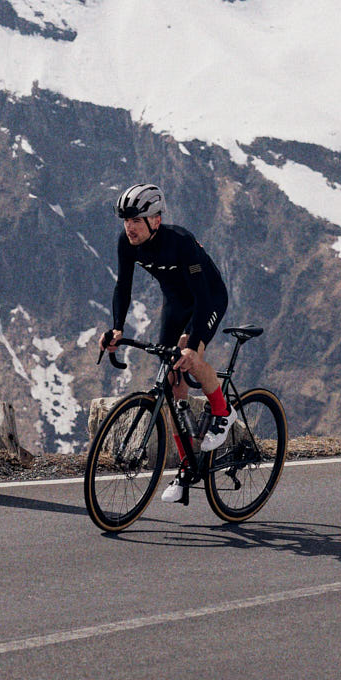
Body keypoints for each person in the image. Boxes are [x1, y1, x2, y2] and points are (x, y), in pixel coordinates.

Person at [100, 182, 233, 503]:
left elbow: (202, 298)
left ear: (155, 220)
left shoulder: (181, 243)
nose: (128, 227)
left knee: (189, 351)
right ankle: (187, 466)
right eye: (125, 221)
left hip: (208, 300)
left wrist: (192, 344)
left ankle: (223, 411)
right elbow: (124, 287)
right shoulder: (126, 243)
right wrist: (116, 328)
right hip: (175, 304)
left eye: (135, 220)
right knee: (171, 382)